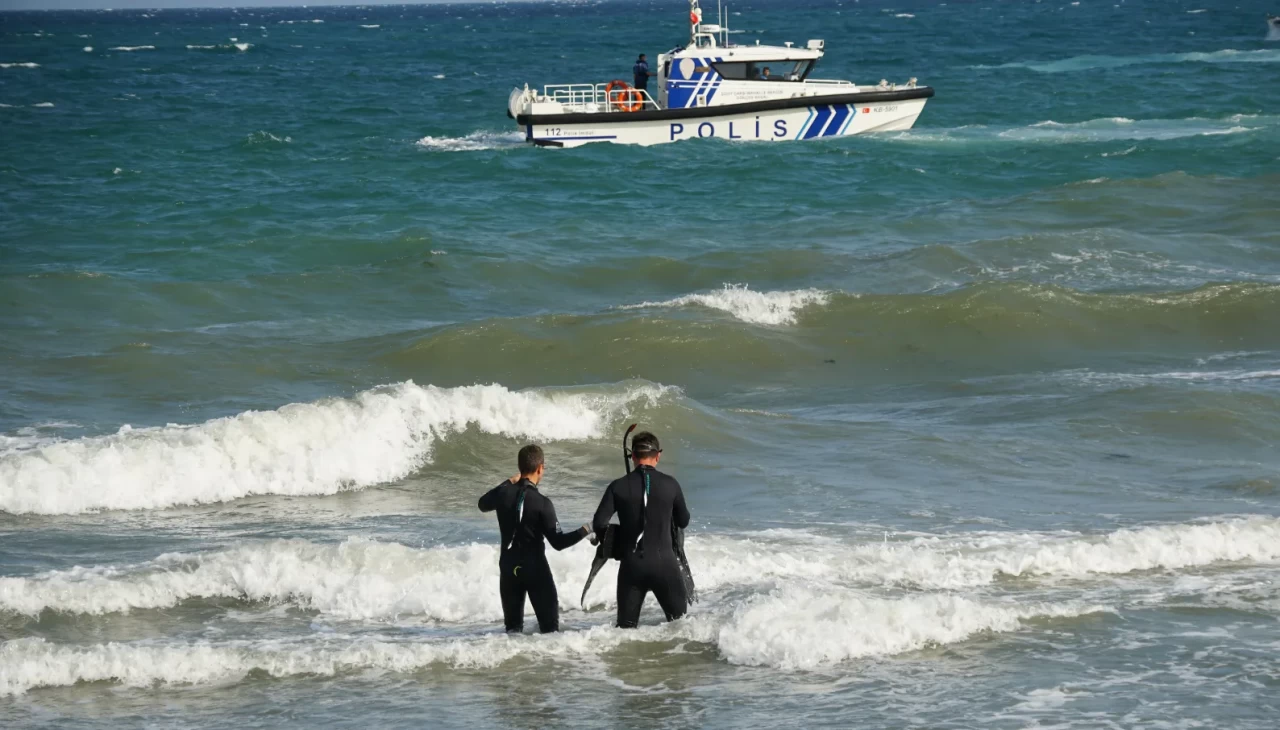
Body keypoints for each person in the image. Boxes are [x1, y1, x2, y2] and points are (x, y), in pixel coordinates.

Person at [479, 444, 590, 634]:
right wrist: (587, 529)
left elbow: (482, 504)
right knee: (550, 632)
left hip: (508, 568)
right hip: (535, 569)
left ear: (520, 467)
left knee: (512, 631)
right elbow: (559, 542)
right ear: (540, 468)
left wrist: (508, 481)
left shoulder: (503, 494)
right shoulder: (542, 503)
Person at [591, 431, 690, 628]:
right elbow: (683, 520)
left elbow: (599, 523)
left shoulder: (618, 486)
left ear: (633, 456)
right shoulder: (671, 484)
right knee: (681, 627)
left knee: (625, 632)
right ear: (658, 455)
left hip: (631, 567)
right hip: (666, 565)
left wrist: (616, 541)